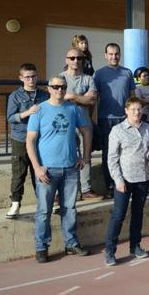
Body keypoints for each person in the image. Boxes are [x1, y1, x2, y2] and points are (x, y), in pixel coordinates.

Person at [26, 75, 92, 263]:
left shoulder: (73, 109)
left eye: (63, 87)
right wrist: (37, 168)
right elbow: (30, 141)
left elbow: (87, 130)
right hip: (47, 170)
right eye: (55, 87)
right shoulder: (39, 110)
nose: (59, 90)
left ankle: (71, 243)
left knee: (69, 208)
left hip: (70, 168)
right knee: (44, 211)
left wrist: (86, 157)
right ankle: (41, 247)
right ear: (49, 88)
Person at [103, 97, 149, 266]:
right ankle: (109, 251)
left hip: (143, 178)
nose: (137, 112)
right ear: (126, 111)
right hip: (124, 180)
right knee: (118, 215)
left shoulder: (148, 128)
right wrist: (118, 180)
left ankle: (135, 246)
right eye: (133, 109)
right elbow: (112, 158)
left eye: (139, 109)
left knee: (138, 214)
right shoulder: (117, 130)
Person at [91, 43, 136, 197]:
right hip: (106, 120)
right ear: (105, 55)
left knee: (126, 153)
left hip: (124, 120)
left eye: (116, 54)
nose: (113, 57)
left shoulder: (127, 73)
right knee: (109, 154)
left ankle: (127, 184)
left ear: (120, 55)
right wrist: (93, 119)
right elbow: (94, 98)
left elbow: (132, 97)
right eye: (110, 54)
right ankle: (111, 186)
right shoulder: (98, 74)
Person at [6, 63, 49, 219]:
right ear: (21, 78)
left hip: (40, 138)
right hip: (21, 138)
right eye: (28, 77)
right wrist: (27, 113)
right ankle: (15, 203)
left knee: (40, 171)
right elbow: (10, 117)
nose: (31, 80)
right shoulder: (15, 96)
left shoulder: (44, 95)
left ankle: (44, 202)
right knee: (19, 172)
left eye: (34, 76)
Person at [60, 50, 100, 201]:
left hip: (85, 123)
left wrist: (72, 96)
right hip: (66, 124)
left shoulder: (88, 79)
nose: (75, 60)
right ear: (67, 60)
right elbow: (58, 98)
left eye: (79, 58)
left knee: (86, 156)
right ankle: (70, 191)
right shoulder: (60, 78)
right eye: (72, 58)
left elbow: (92, 100)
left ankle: (86, 189)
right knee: (68, 156)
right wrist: (82, 98)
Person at [133, 67, 149, 136]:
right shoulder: (137, 87)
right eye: (144, 76)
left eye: (148, 75)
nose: (147, 77)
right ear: (138, 78)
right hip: (143, 115)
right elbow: (139, 101)